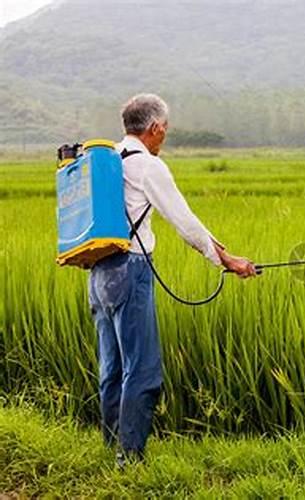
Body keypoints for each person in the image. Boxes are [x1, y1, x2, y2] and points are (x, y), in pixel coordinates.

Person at [87, 93, 256, 466]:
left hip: (99, 272)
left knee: (111, 366)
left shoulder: (107, 159)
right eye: (165, 129)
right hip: (130, 270)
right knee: (143, 370)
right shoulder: (147, 167)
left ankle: (111, 446)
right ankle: (129, 460)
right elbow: (185, 222)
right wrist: (225, 259)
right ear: (156, 128)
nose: (165, 135)